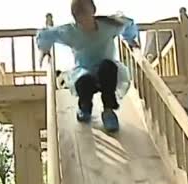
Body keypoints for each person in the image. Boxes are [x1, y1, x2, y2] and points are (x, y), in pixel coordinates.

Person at [37, 0, 139, 132]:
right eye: (78, 16)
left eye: (84, 14)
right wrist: (44, 49)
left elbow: (128, 24)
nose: (82, 20)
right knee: (84, 79)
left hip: (106, 71)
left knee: (108, 66)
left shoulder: (107, 26)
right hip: (85, 71)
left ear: (93, 11)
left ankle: (108, 111)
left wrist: (130, 39)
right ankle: (85, 107)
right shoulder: (71, 31)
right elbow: (47, 34)